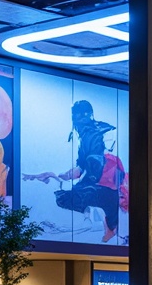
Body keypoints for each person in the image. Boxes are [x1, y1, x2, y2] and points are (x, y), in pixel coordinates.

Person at [23, 100, 121, 243]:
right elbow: (80, 168)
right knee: (64, 195)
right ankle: (100, 220)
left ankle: (101, 221)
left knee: (63, 198)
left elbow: (96, 167)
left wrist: (62, 179)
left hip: (105, 188)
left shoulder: (100, 133)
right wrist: (57, 176)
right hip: (101, 187)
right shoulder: (86, 136)